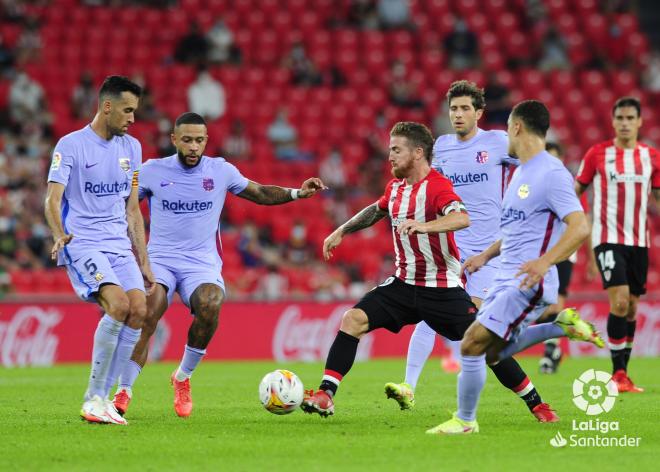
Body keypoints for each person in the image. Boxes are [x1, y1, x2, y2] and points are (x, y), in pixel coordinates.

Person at [111, 112, 326, 418]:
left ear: (206, 141)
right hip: (161, 258)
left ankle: (182, 377)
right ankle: (123, 390)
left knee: (211, 304)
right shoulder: (152, 171)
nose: (193, 146)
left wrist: (297, 193)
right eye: (186, 140)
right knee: (149, 309)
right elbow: (125, 207)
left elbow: (261, 193)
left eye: (199, 140)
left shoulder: (220, 171)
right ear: (174, 140)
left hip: (201, 263)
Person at [385, 81, 558, 423]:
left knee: (479, 330)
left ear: (479, 112)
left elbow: (534, 157)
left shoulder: (496, 142)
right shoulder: (442, 147)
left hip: (488, 254)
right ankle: (408, 385)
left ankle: (550, 344)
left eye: (465, 109)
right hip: (449, 249)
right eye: (453, 109)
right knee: (430, 314)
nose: (458, 115)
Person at [429, 100, 604, 435]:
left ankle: (465, 421)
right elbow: (513, 230)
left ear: (517, 127)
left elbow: (579, 226)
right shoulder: (521, 172)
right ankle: (559, 326)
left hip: (526, 279)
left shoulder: (552, 173)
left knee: (470, 344)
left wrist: (545, 261)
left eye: (507, 127)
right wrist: (486, 257)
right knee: (494, 353)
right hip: (502, 273)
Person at [301, 121, 475, 418]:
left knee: (484, 341)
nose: (390, 156)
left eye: (396, 150)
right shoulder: (395, 187)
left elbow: (461, 218)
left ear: (417, 153)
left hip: (441, 287)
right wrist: (342, 230)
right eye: (390, 149)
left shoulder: (437, 186)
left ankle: (535, 402)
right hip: (404, 285)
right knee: (352, 319)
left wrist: (423, 226)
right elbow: (377, 209)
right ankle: (325, 395)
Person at [44, 75, 155, 425]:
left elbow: (133, 207)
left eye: (135, 111)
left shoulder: (132, 148)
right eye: (127, 110)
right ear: (107, 106)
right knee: (119, 305)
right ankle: (92, 397)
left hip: (118, 243)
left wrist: (145, 259)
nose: (132, 118)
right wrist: (59, 233)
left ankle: (102, 399)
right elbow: (52, 198)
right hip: (84, 241)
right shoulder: (71, 145)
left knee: (139, 310)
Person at [575, 97, 660, 393]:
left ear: (639, 122)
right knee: (621, 300)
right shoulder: (597, 155)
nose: (624, 123)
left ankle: (624, 372)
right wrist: (580, 237)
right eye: (619, 118)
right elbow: (575, 193)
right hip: (607, 238)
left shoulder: (652, 157)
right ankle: (618, 373)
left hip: (639, 240)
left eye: (629, 118)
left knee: (633, 307)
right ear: (613, 122)